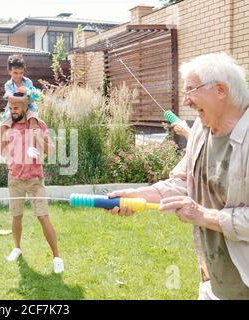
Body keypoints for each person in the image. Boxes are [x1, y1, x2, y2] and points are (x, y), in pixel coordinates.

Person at [107, 52, 249, 299]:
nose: (185, 102)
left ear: (220, 90)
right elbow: (183, 182)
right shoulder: (200, 132)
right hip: (212, 282)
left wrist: (203, 215)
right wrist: (139, 195)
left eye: (191, 91)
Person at [0, 98, 64, 274]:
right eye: (11, 107)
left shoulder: (37, 124)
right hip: (15, 179)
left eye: (16, 107)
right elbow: (2, 150)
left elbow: (50, 150)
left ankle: (57, 257)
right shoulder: (7, 126)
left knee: (43, 217)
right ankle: (17, 248)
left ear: (26, 107)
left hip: (35, 180)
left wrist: (38, 144)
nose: (13, 110)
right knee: (16, 216)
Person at [0, 55, 40, 146]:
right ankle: (2, 153)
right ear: (10, 72)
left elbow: (32, 98)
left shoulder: (28, 82)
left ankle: (32, 148)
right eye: (15, 73)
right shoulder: (8, 85)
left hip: (28, 107)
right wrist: (23, 99)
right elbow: (10, 98)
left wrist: (31, 97)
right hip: (13, 109)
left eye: (21, 73)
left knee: (33, 122)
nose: (18, 75)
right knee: (2, 126)